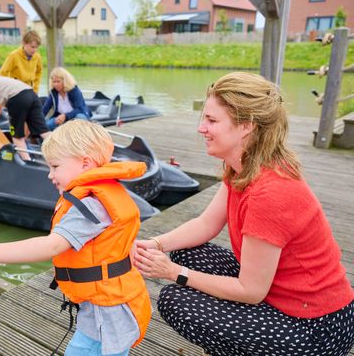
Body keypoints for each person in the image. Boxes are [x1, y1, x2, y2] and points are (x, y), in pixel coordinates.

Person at [133, 72, 354, 356]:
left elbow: (251, 291)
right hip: (279, 293)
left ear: (246, 126)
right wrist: (156, 244)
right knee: (187, 252)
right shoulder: (243, 166)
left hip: (316, 327)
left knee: (176, 300)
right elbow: (205, 224)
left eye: (212, 120)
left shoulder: (271, 192)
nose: (202, 128)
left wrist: (173, 272)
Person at [0, 119, 152, 355]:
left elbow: (52, 245)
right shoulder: (105, 193)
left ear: (85, 163)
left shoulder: (91, 206)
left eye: (55, 166)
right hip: (109, 305)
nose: (49, 175)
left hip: (106, 314)